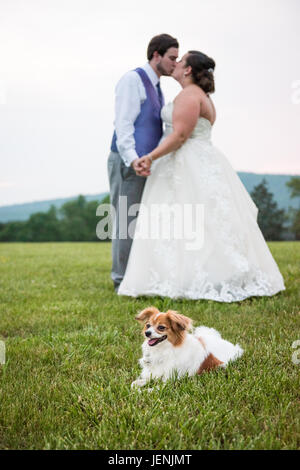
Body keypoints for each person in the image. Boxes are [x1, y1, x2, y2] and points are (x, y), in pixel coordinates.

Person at [118, 51, 286, 302]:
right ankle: (188, 275)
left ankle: (196, 278)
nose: (175, 64)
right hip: (200, 159)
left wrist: (150, 157)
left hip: (188, 162)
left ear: (187, 70)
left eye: (180, 60)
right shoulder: (200, 95)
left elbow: (180, 136)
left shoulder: (189, 95)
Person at [108, 34, 179, 292]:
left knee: (139, 221)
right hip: (128, 162)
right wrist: (133, 159)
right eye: (172, 57)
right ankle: (120, 280)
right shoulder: (132, 80)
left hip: (145, 164)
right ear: (156, 55)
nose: (175, 63)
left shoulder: (157, 86)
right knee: (126, 221)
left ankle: (134, 276)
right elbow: (123, 124)